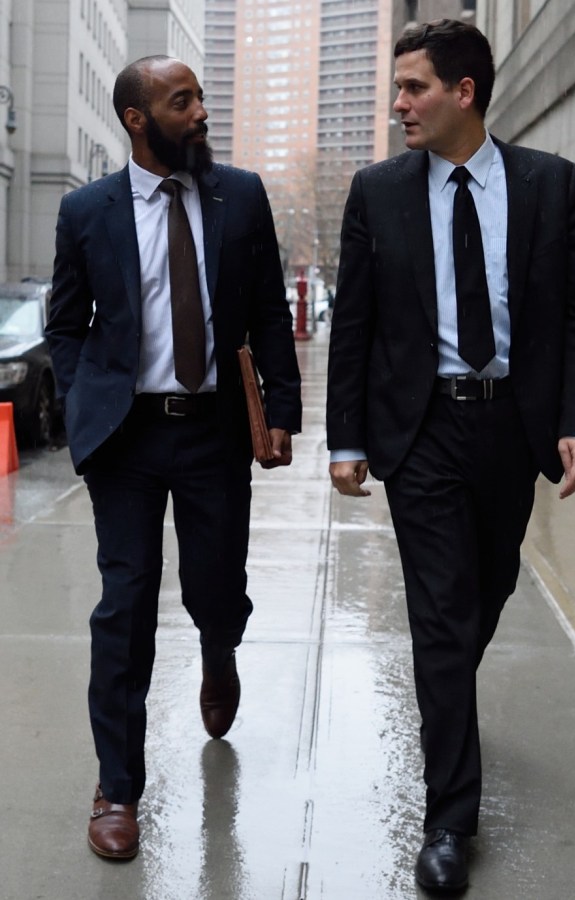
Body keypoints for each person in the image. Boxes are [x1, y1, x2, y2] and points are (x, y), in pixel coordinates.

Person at [326, 19, 575, 893]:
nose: (398, 104)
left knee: (485, 593)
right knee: (441, 618)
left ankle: (448, 699)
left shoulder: (551, 185)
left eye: (413, 88)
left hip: (510, 427)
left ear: (464, 92)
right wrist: (347, 439)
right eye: (398, 88)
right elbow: (358, 327)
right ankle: (449, 817)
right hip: (423, 430)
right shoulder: (378, 191)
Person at [46, 55, 302, 860]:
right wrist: (85, 400)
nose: (199, 113)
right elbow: (66, 321)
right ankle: (117, 787)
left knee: (215, 585)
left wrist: (284, 414)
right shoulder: (87, 210)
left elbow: (266, 313)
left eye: (199, 98)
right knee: (124, 606)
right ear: (135, 118)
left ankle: (219, 650)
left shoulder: (241, 196)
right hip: (125, 437)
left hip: (213, 432)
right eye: (180, 101)